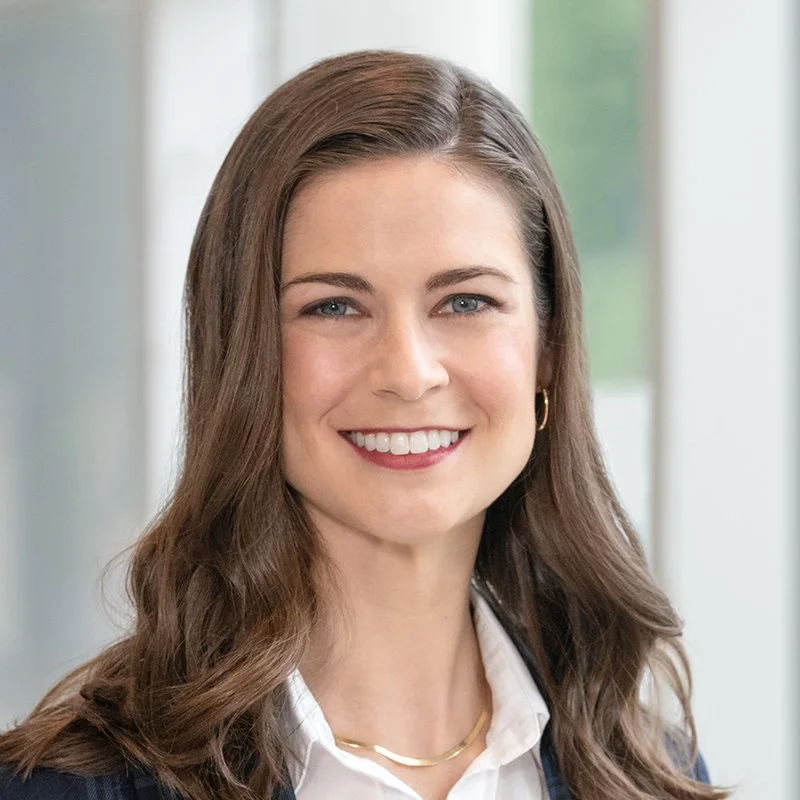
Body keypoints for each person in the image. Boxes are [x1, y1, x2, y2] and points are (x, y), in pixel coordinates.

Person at [0, 50, 726, 800]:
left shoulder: (649, 772)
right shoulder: (62, 787)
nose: (408, 373)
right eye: (334, 307)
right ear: (242, 354)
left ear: (549, 351)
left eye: (466, 302)